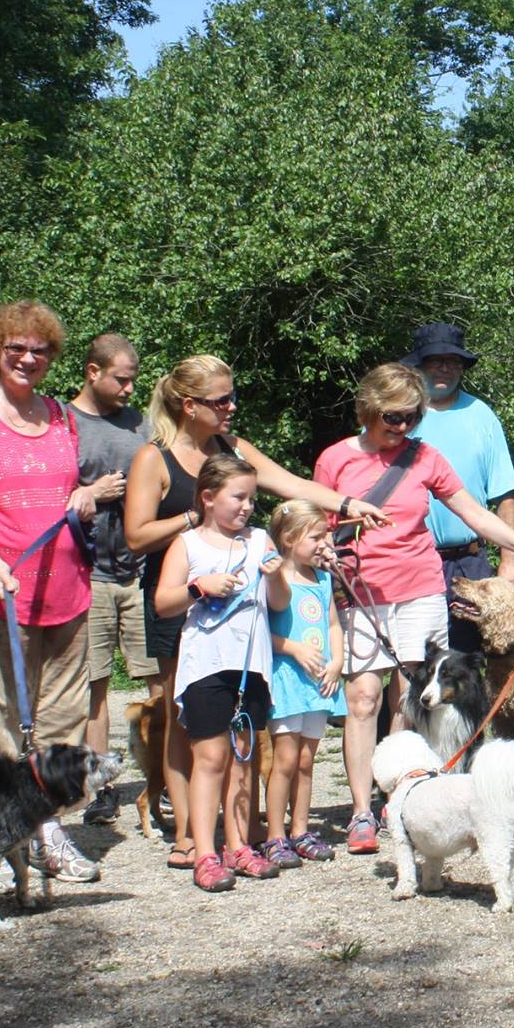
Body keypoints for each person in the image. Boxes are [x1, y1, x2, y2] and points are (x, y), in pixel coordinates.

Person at [123, 354, 381, 871]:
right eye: (220, 400)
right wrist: (196, 519)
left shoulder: (232, 449)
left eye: (231, 395)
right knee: (185, 720)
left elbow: (290, 484)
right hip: (184, 591)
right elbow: (136, 535)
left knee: (240, 719)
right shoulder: (155, 458)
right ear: (189, 405)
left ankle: (240, 828)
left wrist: (347, 504)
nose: (231, 407)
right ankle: (188, 835)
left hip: (241, 599)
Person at [316, 362, 514, 856]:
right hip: (362, 591)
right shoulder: (335, 460)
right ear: (369, 408)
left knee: (408, 703)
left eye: (412, 417)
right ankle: (361, 810)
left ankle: (399, 800)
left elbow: (474, 512)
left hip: (420, 589)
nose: (403, 427)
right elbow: (320, 524)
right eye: (394, 417)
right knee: (363, 698)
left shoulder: (424, 457)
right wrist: (322, 555)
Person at [0, 301, 110, 884]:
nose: (29, 358)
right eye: (17, 348)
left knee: (61, 721)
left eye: (40, 350)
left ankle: (47, 830)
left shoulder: (60, 417)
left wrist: (82, 498)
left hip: (66, 595)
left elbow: (62, 492)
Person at [152, 456, 281, 893]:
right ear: (208, 498)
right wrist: (198, 586)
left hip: (251, 667)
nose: (247, 507)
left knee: (243, 758)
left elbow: (278, 601)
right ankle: (204, 851)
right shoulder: (188, 544)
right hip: (206, 666)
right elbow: (163, 603)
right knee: (210, 759)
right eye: (238, 497)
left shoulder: (261, 540)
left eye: (252, 498)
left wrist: (275, 577)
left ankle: (238, 844)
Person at [67, 332, 154, 825]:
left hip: (138, 572)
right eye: (121, 379)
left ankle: (162, 777)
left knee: (158, 679)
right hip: (90, 570)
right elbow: (51, 490)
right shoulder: (64, 423)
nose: (128, 388)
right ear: (92, 372)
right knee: (95, 686)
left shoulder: (139, 425)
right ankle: (99, 785)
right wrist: (91, 491)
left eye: (133, 380)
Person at [405, 323, 514, 654]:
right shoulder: (395, 417)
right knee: (411, 661)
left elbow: (505, 495)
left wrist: (510, 561)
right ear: (419, 364)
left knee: (468, 661)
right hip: (410, 559)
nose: (444, 368)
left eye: (452, 361)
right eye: (435, 360)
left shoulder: (481, 416)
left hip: (470, 563)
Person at [263, 500, 344, 868]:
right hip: (287, 680)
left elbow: (332, 626)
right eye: (316, 537)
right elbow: (263, 633)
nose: (324, 543)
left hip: (318, 685)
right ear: (290, 538)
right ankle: (274, 835)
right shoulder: (276, 579)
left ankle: (301, 829)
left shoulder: (323, 579)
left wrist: (338, 662)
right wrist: (293, 648)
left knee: (307, 760)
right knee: (285, 759)